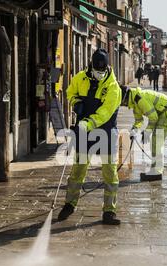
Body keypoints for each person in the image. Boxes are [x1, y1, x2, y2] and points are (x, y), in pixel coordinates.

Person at [58, 49, 122, 226]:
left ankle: (109, 211)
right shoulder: (80, 78)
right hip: (84, 130)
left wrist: (87, 123)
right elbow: (70, 92)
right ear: (91, 66)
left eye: (103, 71)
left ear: (108, 67)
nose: (100, 74)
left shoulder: (113, 87)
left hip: (106, 132)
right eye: (97, 70)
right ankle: (70, 204)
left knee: (109, 172)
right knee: (78, 169)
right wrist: (76, 102)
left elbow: (105, 112)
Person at [120, 85, 167, 181]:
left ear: (125, 98)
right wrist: (134, 130)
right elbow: (139, 120)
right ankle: (155, 169)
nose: (124, 104)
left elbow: (154, 117)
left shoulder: (140, 99)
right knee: (155, 141)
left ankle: (156, 172)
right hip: (164, 113)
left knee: (157, 141)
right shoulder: (135, 102)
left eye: (122, 102)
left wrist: (147, 131)